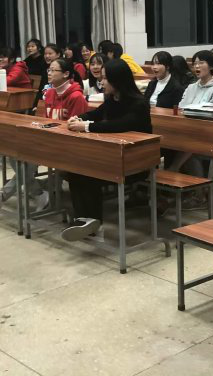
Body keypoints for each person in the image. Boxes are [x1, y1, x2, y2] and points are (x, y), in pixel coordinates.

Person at [64, 59, 151, 241]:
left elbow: (120, 125)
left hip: (136, 161)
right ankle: (84, 220)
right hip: (113, 156)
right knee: (75, 170)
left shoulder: (139, 103)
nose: (101, 82)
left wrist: (86, 127)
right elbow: (95, 114)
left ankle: (94, 223)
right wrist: (78, 118)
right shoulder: (112, 99)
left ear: (118, 80)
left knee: (90, 174)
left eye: (105, 78)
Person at [0, 59, 82, 212]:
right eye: (48, 70)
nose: (49, 73)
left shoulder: (76, 97)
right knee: (13, 152)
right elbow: (47, 121)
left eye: (53, 70)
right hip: (48, 139)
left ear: (66, 74)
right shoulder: (50, 93)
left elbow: (77, 130)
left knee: (26, 158)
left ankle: (3, 195)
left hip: (66, 145)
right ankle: (38, 193)